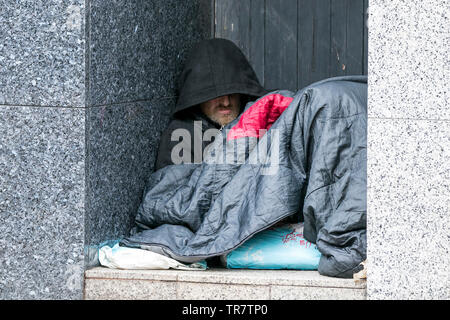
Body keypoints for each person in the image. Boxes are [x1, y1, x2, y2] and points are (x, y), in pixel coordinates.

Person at [154, 38, 268, 171]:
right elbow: (173, 189)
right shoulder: (181, 137)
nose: (226, 102)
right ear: (199, 97)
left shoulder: (260, 121)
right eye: (216, 96)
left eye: (233, 94)